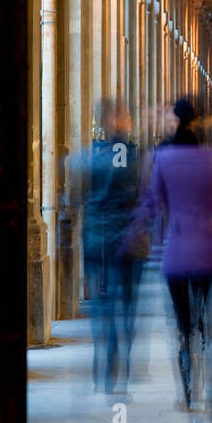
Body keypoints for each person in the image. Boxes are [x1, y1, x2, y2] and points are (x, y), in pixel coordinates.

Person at [135, 98, 212, 423]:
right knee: (210, 328)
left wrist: (128, 239)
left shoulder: (161, 158)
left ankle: (189, 393)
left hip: (177, 252)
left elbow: (151, 204)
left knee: (182, 327)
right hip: (210, 250)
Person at [71, 98, 147, 396]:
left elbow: (76, 191)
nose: (129, 120)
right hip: (125, 240)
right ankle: (120, 359)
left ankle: (104, 359)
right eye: (126, 115)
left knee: (102, 303)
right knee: (126, 302)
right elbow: (140, 194)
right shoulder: (129, 156)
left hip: (95, 238)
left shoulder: (87, 157)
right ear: (115, 121)